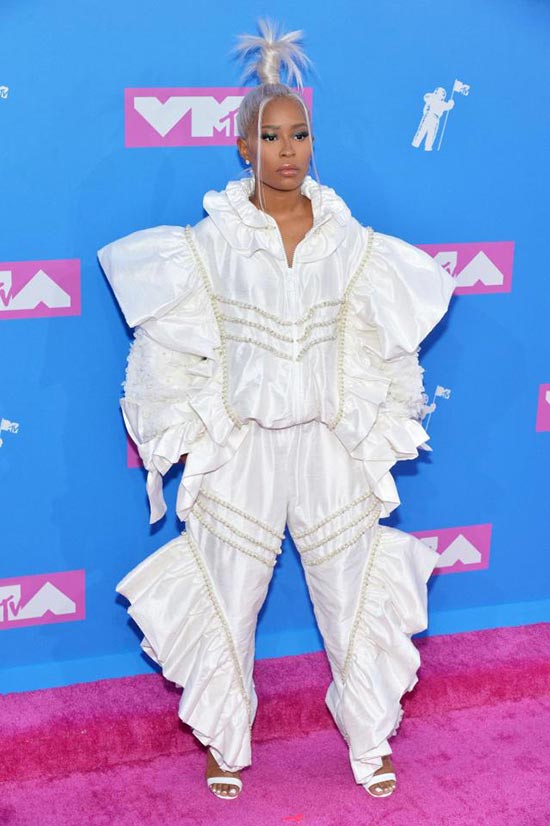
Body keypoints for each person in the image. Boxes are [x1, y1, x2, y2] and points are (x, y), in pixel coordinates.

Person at [97, 19, 455, 802]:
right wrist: (194, 430)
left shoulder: (351, 244)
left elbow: (385, 347)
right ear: (243, 148)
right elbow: (168, 349)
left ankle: (368, 740)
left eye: (300, 134)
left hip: (328, 447)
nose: (288, 150)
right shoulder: (208, 245)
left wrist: (377, 424)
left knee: (352, 590)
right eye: (271, 136)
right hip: (245, 450)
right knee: (227, 595)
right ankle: (227, 740)